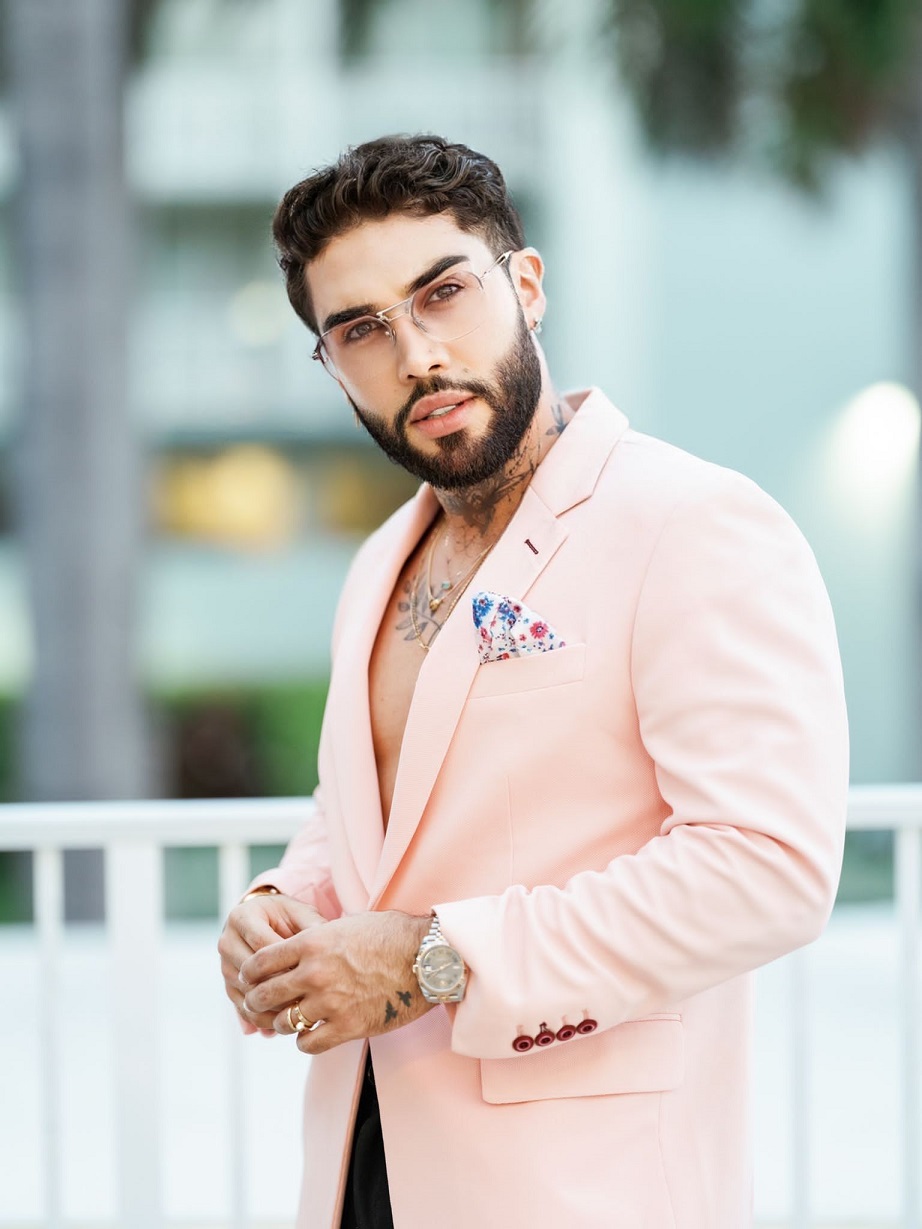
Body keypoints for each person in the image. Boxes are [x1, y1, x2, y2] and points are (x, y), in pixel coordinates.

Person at [217, 134, 849, 1229]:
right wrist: (288, 903)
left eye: (443, 293)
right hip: (366, 1157)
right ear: (329, 363)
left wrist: (432, 958)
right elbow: (370, 808)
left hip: (583, 1184)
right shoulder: (378, 562)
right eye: (360, 329)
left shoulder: (691, 524)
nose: (416, 354)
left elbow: (767, 866)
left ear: (527, 285)